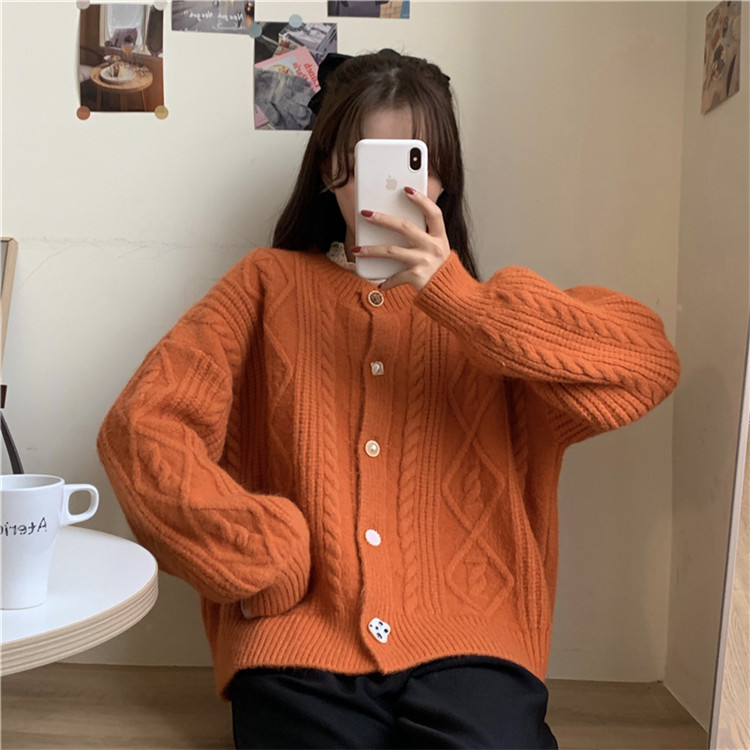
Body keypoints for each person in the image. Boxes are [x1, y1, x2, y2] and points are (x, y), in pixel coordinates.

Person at [97, 50, 680, 749]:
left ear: (443, 176)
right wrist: (259, 551)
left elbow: (647, 362)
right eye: (368, 160)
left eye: (415, 162)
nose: (395, 187)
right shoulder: (266, 284)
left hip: (475, 645)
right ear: (329, 169)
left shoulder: (497, 322)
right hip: (297, 643)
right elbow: (142, 428)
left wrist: (460, 301)